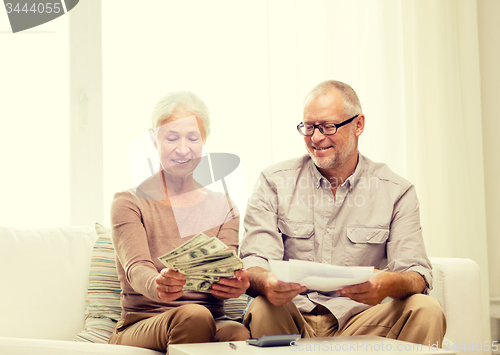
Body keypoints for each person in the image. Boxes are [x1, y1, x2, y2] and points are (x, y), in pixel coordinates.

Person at [240, 80, 446, 346]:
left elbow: (416, 274)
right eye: (308, 127)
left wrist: (386, 284)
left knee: (426, 309)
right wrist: (267, 281)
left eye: (327, 126)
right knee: (262, 306)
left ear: (358, 125)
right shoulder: (273, 182)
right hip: (293, 316)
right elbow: (255, 260)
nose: (315, 138)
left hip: (361, 321)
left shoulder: (396, 191)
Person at [108, 91, 250, 353]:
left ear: (204, 140)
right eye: (172, 137)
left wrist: (234, 285)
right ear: (154, 139)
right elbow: (136, 268)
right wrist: (158, 285)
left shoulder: (225, 206)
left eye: (193, 138)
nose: (183, 149)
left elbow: (223, 271)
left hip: (210, 319)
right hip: (145, 322)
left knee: (238, 333)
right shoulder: (128, 202)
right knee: (193, 315)